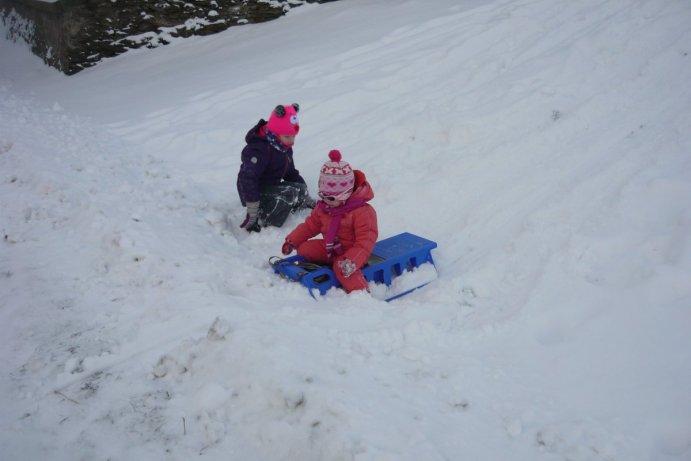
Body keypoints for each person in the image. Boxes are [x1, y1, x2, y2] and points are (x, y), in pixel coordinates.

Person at [281, 150, 378, 293]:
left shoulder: (362, 212)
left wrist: (352, 261)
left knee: (342, 269)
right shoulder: (324, 208)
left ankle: (361, 292)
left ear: (345, 195)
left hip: (353, 253)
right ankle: (326, 265)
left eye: (331, 198)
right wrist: (292, 241)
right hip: (331, 247)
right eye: (322, 195)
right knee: (304, 249)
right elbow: (309, 226)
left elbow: (365, 242)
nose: (325, 200)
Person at [237, 103, 316, 233]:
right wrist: (252, 212)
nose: (292, 141)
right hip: (252, 192)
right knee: (288, 193)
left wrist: (305, 196)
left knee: (299, 189)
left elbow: (291, 173)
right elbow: (248, 179)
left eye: (293, 136)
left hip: (271, 186)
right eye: (287, 136)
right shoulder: (258, 149)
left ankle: (289, 205)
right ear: (275, 132)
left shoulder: (282, 146)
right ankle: (268, 221)